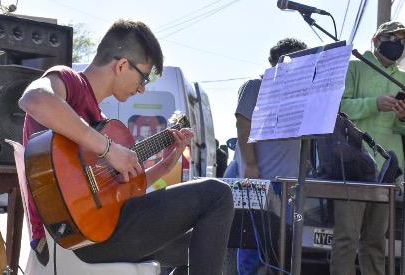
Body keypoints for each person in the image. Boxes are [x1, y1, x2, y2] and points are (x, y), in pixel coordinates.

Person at [19, 19, 234, 275]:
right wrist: (109, 149)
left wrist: (165, 165)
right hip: (74, 237)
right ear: (122, 65)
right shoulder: (68, 81)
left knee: (204, 245)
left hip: (95, 230)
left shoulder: (97, 117)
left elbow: (118, 195)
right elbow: (34, 100)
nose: (142, 89)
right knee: (217, 194)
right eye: (143, 78)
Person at [330, 21, 405, 275]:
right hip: (353, 160)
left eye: (402, 40)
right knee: (346, 238)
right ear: (375, 40)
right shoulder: (354, 67)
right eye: (391, 38)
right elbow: (338, 108)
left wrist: (403, 117)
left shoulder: (404, 78)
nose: (398, 44)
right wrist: (374, 103)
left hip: (388, 167)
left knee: (376, 241)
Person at [235, 38, 307, 275]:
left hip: (291, 186)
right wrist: (251, 164)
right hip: (262, 182)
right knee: (253, 248)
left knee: (283, 249)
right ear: (276, 63)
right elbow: (243, 124)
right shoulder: (256, 85)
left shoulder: (301, 93)